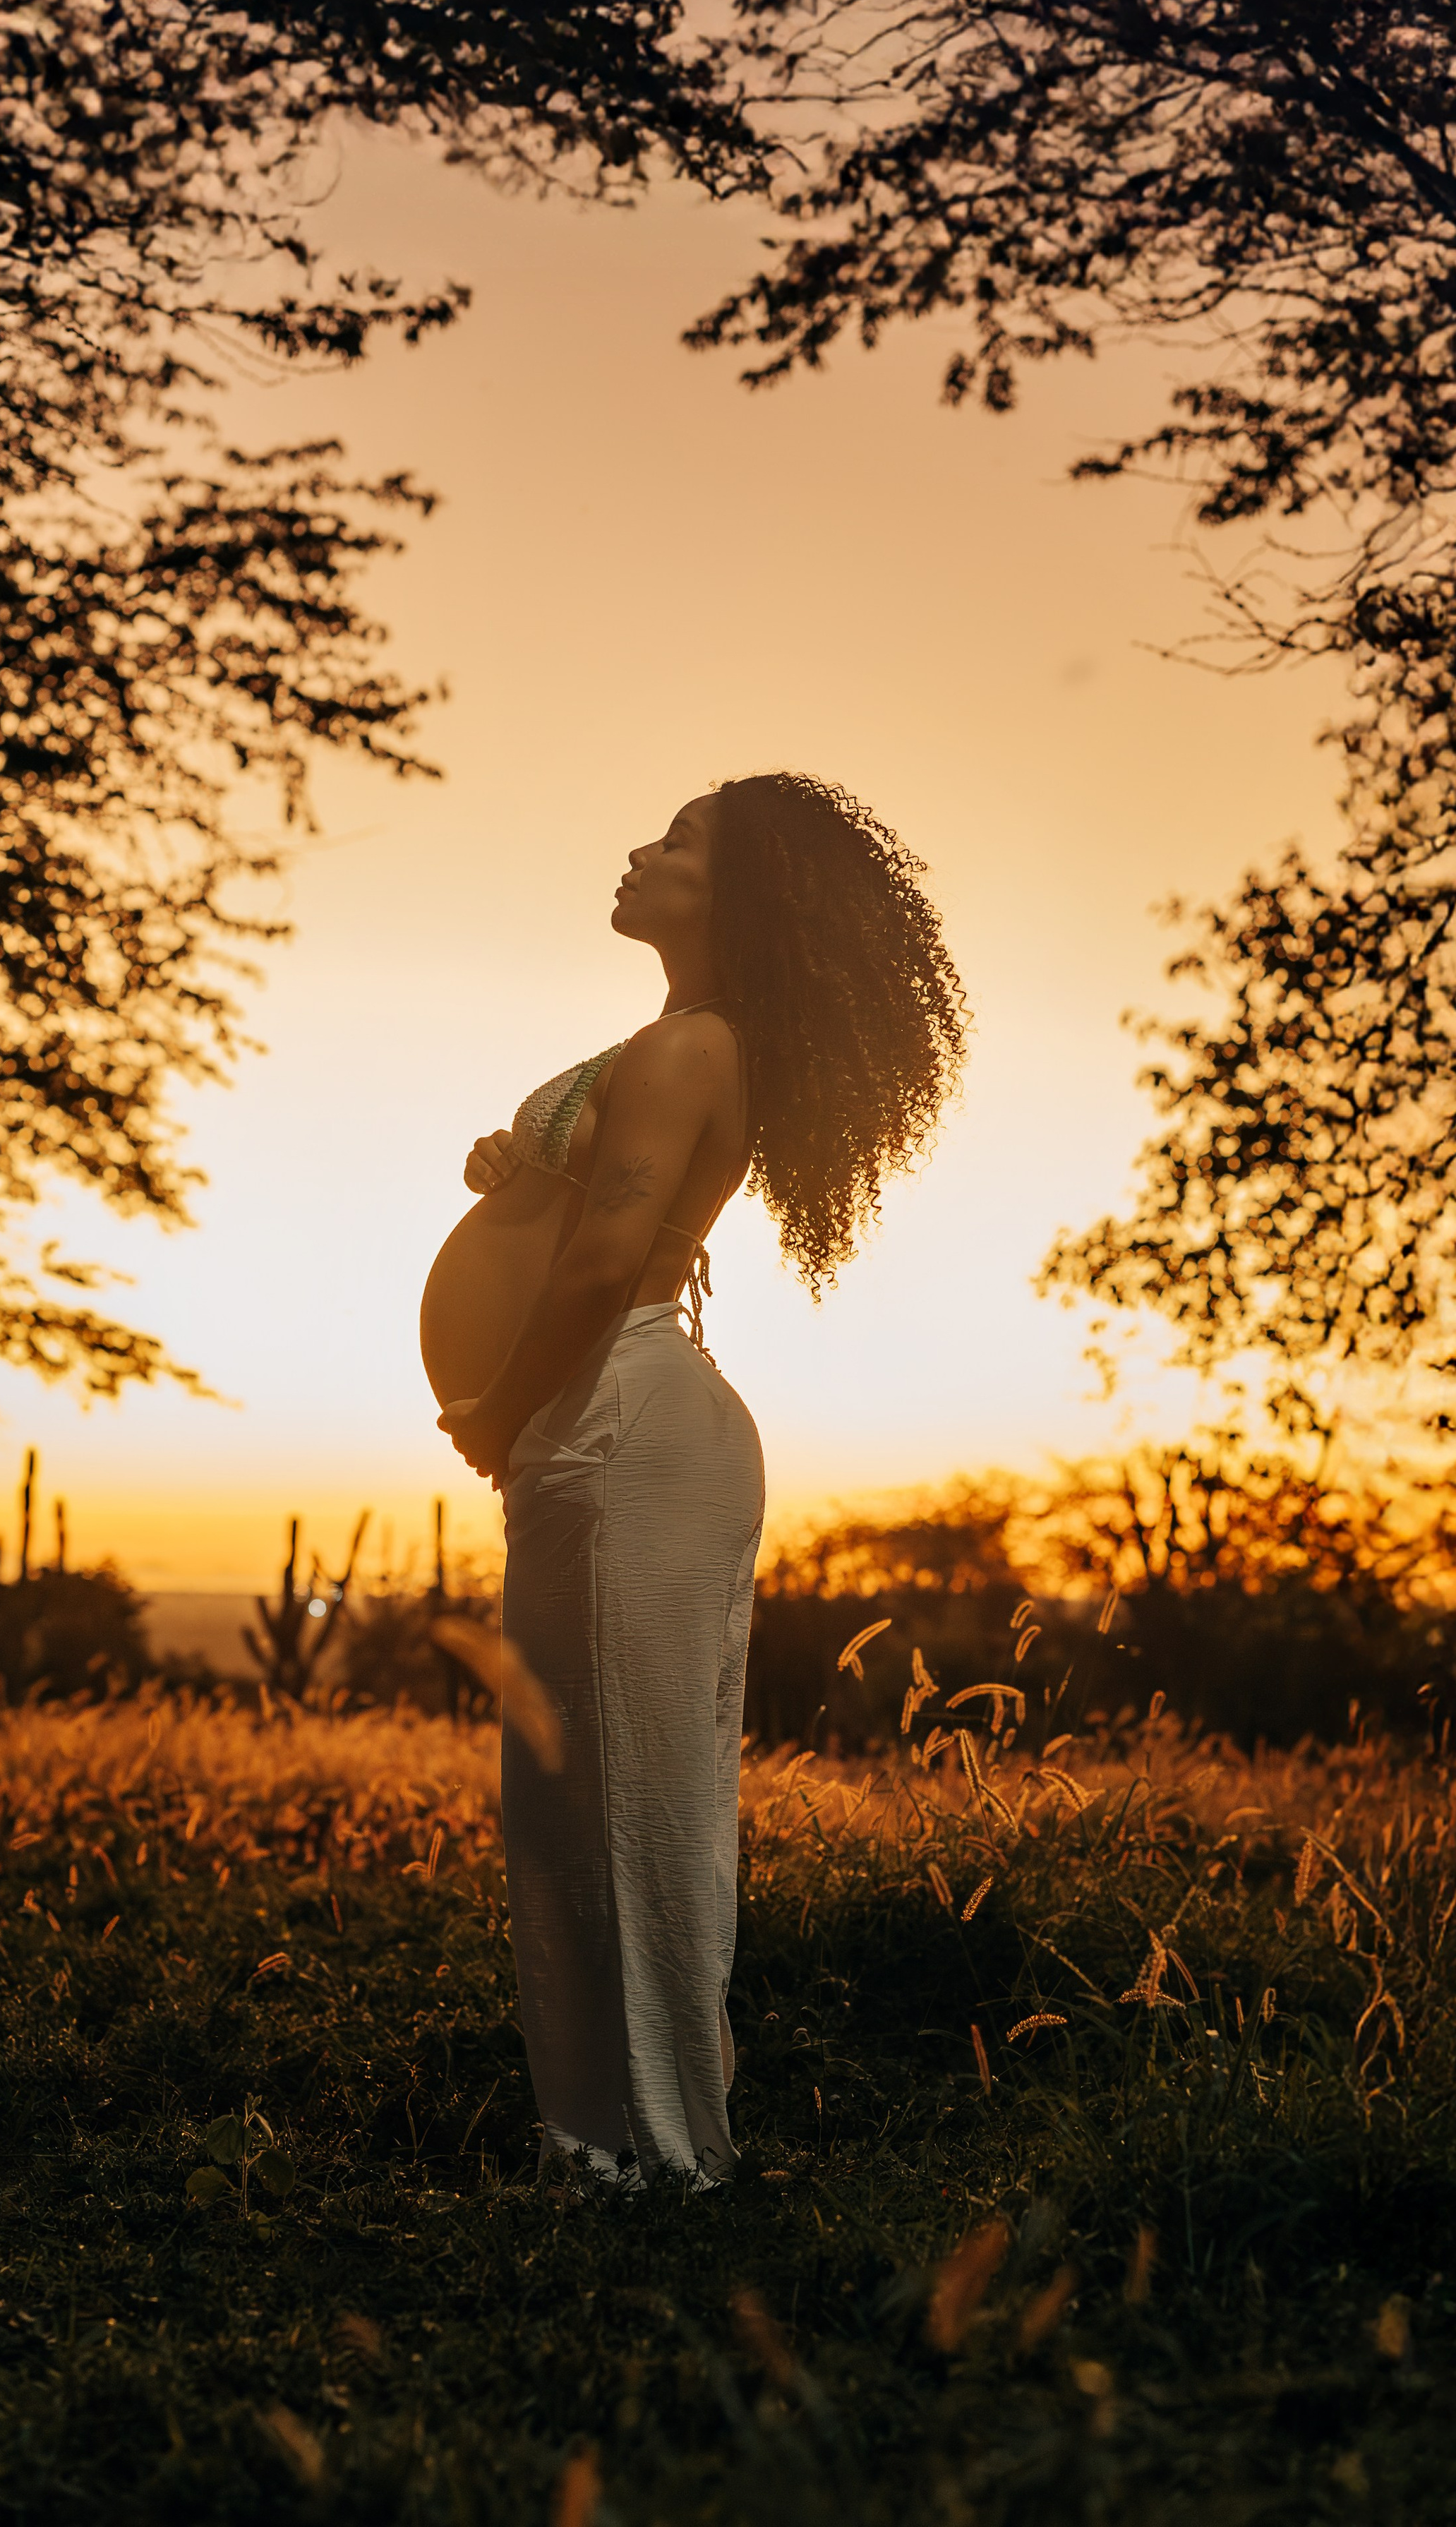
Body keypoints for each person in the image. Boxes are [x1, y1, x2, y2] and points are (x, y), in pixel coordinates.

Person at [421, 772, 965, 2185]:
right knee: (575, 1805)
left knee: (627, 1809)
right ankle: (607, 2142)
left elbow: (611, 1260)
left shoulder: (691, 1045)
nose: (639, 850)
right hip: (604, 1425)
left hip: (616, 1423)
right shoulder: (674, 1042)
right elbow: (597, 1210)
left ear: (738, 895)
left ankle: (660, 2160)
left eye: (676, 840)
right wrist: (520, 1166)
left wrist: (498, 1413)